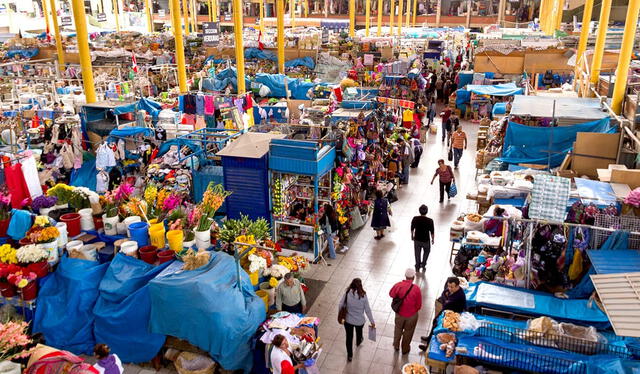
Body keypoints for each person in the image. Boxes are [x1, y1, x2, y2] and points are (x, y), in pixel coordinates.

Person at [419, 277, 466, 350]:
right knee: (435, 321)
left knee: (438, 329)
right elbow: (443, 294)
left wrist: (445, 298)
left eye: (451, 287)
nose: (449, 288)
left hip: (452, 315)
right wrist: (445, 298)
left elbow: (445, 303)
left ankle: (428, 347)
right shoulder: (451, 290)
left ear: (457, 286)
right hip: (446, 311)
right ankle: (429, 338)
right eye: (448, 286)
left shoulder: (459, 295)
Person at [338, 278, 376, 362]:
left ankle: (350, 355)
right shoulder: (363, 296)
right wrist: (372, 321)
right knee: (359, 332)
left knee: (349, 337)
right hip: (359, 321)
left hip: (348, 320)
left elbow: (340, 304)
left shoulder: (347, 293)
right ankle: (359, 340)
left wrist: (340, 315)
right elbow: (367, 310)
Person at [389, 268, 422, 354]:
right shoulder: (416, 289)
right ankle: (405, 348)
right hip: (412, 315)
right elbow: (419, 304)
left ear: (405, 276)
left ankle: (396, 345)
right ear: (413, 277)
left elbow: (391, 294)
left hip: (399, 313)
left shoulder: (398, 285)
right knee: (408, 332)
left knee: (398, 329)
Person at [411, 205, 435, 272]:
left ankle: (417, 266)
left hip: (417, 239)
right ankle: (423, 264)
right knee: (426, 252)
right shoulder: (430, 221)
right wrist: (433, 239)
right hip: (426, 240)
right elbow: (432, 232)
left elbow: (412, 228)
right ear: (427, 211)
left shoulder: (415, 219)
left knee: (417, 253)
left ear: (419, 211)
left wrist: (412, 236)